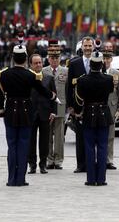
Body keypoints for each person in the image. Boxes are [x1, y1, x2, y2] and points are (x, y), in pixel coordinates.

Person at [0, 44, 56, 186]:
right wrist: (52, 96)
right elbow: (41, 90)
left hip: (10, 111)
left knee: (12, 146)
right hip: (25, 113)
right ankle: (20, 179)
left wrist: (1, 110)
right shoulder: (31, 76)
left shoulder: (4, 74)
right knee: (23, 145)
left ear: (13, 58)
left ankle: (11, 179)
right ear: (25, 59)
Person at [76, 51, 114, 186]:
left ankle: (91, 178)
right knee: (103, 147)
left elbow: (80, 95)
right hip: (103, 113)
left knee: (89, 147)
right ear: (102, 64)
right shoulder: (109, 79)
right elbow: (110, 91)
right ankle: (101, 178)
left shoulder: (82, 80)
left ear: (90, 64)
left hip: (88, 113)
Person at [67, 37, 94, 173]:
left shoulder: (98, 61)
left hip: (95, 105)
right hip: (78, 106)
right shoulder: (74, 63)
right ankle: (81, 164)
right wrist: (70, 106)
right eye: (86, 46)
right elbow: (69, 87)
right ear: (81, 47)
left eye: (90, 46)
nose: (88, 48)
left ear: (93, 47)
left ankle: (91, 163)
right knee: (80, 136)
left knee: (93, 136)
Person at [28, 54, 57, 174]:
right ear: (31, 64)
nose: (38, 65)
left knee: (45, 141)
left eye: (40, 62)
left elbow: (54, 96)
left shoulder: (49, 78)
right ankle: (32, 165)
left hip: (45, 113)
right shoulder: (27, 78)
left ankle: (43, 164)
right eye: (36, 63)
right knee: (31, 140)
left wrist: (54, 112)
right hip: (31, 114)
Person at [42, 40, 68, 170]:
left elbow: (68, 89)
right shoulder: (43, 71)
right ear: (48, 58)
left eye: (57, 57)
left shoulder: (65, 71)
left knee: (59, 135)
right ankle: (49, 158)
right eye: (52, 58)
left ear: (60, 58)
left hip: (61, 104)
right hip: (46, 106)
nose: (54, 60)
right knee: (47, 134)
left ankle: (58, 160)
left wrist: (69, 106)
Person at [103, 50, 119, 170]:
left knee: (110, 135)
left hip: (112, 106)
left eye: (108, 58)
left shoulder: (117, 73)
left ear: (111, 59)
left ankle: (109, 160)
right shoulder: (97, 71)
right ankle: (99, 158)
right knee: (99, 134)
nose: (106, 61)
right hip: (100, 106)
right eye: (104, 58)